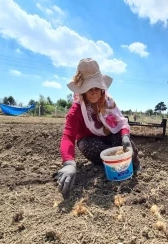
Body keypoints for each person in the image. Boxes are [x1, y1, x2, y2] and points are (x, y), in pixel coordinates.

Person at [57, 58, 140, 194]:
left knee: (125, 143)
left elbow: (120, 122)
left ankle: (128, 163)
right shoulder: (76, 110)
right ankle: (111, 163)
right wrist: (69, 163)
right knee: (87, 145)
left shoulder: (108, 102)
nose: (95, 92)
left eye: (97, 88)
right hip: (91, 142)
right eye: (90, 89)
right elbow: (68, 137)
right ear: (82, 91)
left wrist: (125, 135)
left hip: (108, 137)